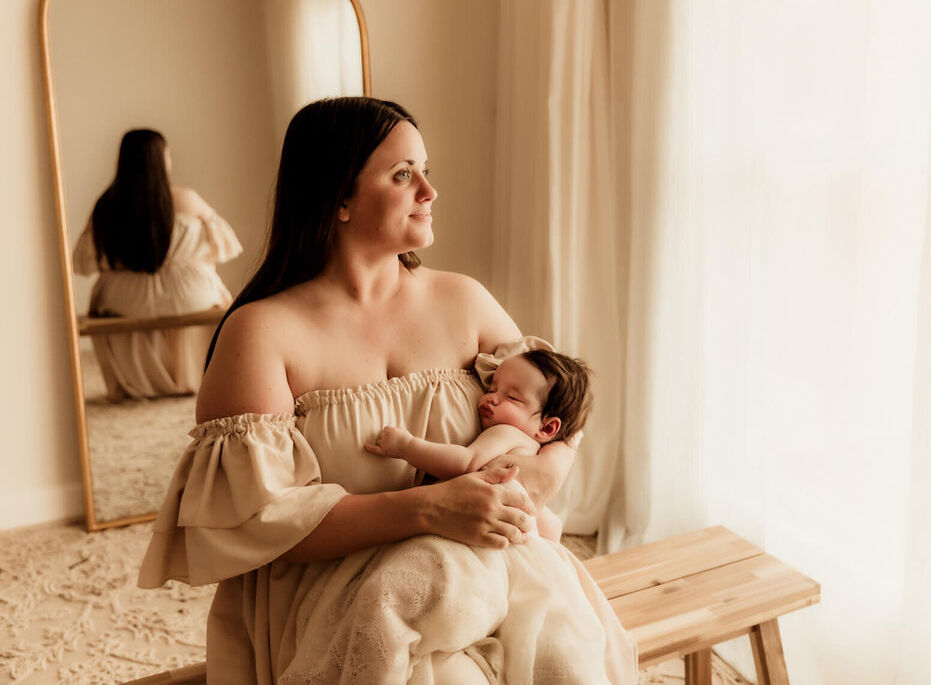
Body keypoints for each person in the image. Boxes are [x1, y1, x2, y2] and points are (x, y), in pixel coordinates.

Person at [138, 97, 636, 684]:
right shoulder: (261, 333)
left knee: (564, 653)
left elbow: (560, 413)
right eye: (403, 175)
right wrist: (430, 508)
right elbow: (259, 521)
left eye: (426, 170)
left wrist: (529, 484)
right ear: (338, 198)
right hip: (336, 588)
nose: (429, 190)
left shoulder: (464, 301)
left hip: (487, 560)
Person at [72, 128, 242, 401]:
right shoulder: (185, 199)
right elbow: (223, 244)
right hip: (188, 294)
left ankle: (143, 382)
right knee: (215, 293)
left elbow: (85, 261)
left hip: (123, 298)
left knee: (106, 304)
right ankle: (194, 376)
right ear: (160, 159)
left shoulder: (105, 205)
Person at [366, 347, 593, 543]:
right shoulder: (532, 453)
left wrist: (407, 446)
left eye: (512, 397)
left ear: (547, 428)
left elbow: (466, 462)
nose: (492, 398)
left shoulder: (507, 433)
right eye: (492, 389)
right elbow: (550, 529)